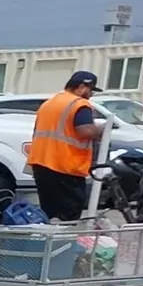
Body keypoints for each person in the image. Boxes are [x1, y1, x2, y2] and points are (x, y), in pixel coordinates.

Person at [27, 70, 109, 221]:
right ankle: (64, 236)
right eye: (91, 90)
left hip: (41, 164)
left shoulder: (49, 103)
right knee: (69, 215)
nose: (91, 95)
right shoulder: (79, 104)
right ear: (81, 87)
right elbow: (86, 131)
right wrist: (102, 129)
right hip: (65, 166)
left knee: (49, 212)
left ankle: (47, 235)